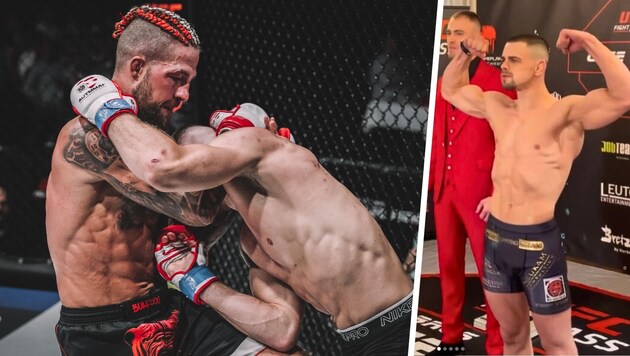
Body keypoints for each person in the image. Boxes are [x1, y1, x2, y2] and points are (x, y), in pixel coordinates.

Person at [70, 85, 415, 354]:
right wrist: (196, 280)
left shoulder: (262, 148)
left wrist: (107, 109)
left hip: (398, 321)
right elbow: (281, 329)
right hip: (353, 339)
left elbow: (163, 165)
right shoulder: (252, 241)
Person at [47, 6, 301, 355]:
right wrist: (246, 154)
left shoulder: (158, 135)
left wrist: (258, 162)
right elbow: (195, 211)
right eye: (177, 78)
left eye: (189, 83)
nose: (184, 94)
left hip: (167, 306)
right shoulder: (88, 138)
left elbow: (190, 227)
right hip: (104, 329)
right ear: (137, 68)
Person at [441, 29, 630, 355]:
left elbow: (623, 96)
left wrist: (588, 42)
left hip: (538, 247)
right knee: (513, 339)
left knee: (557, 342)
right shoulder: (497, 105)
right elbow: (451, 89)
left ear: (540, 66)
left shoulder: (565, 113)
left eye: (514, 60)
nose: (505, 66)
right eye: (504, 59)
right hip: (497, 241)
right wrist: (464, 55)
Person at [428, 11, 515, 355]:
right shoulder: (441, 82)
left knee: (491, 274)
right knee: (448, 267)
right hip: (444, 189)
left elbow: (511, 143)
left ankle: (497, 346)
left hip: (482, 193)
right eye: (449, 33)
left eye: (460, 33)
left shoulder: (498, 81)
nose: (452, 39)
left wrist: (499, 193)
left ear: (479, 40)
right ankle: (451, 337)